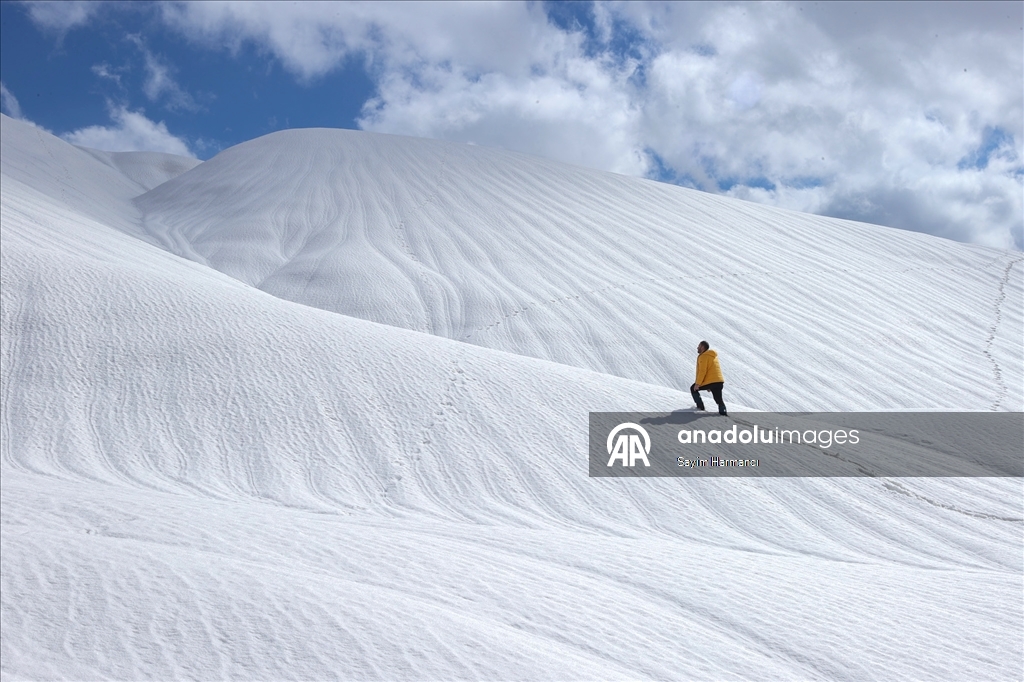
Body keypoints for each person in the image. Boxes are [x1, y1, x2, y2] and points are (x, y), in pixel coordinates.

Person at [691, 341, 727, 416]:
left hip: (711, 382)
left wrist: (698, 384)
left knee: (693, 388)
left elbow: (702, 371)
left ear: (702, 347)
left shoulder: (703, 356)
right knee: (718, 399)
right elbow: (712, 370)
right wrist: (708, 385)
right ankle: (723, 413)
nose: (697, 347)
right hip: (719, 381)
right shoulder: (713, 356)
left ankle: (700, 407)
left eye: (699, 346)